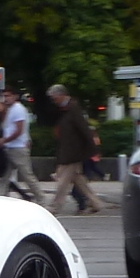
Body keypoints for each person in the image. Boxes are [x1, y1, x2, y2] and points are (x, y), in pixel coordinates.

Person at [46, 83, 102, 215]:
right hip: (70, 151)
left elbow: (84, 129)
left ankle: (55, 206)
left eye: (55, 98)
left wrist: (93, 149)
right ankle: (95, 203)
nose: (54, 101)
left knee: (62, 181)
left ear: (62, 95)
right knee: (79, 180)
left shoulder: (73, 109)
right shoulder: (67, 109)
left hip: (72, 153)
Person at [0, 89, 44, 202]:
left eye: (8, 96)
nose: (6, 98)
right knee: (4, 177)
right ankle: (0, 198)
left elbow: (19, 130)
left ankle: (41, 198)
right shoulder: (11, 109)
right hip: (11, 147)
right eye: (4, 96)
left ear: (15, 96)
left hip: (18, 148)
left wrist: (5, 140)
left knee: (27, 176)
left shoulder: (18, 109)